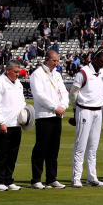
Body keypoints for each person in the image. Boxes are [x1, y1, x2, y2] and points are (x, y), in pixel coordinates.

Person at [69, 49, 103, 187]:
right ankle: (76, 178)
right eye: (101, 60)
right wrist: (75, 108)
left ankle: (92, 177)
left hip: (98, 110)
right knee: (81, 145)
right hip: (84, 110)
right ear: (94, 58)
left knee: (93, 146)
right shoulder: (83, 72)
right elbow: (73, 93)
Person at [28, 50, 65, 189]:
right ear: (47, 59)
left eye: (57, 61)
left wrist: (63, 105)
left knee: (54, 149)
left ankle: (51, 178)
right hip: (44, 115)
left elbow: (64, 92)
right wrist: (55, 106)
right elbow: (39, 96)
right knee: (41, 148)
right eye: (54, 61)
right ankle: (36, 179)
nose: (57, 63)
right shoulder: (37, 74)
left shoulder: (57, 74)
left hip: (57, 115)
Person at [0, 60, 25, 191]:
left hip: (17, 123)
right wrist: (1, 122)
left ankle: (9, 179)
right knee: (2, 152)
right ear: (8, 70)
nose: (18, 74)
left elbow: (22, 102)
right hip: (4, 124)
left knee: (13, 153)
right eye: (15, 72)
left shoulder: (18, 84)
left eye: (18, 72)